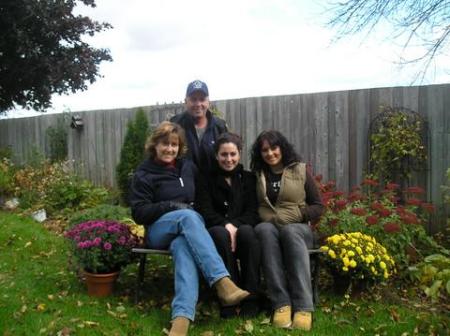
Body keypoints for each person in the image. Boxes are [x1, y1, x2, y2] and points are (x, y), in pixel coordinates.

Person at [129, 122, 249, 336]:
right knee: (188, 216)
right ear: (154, 145)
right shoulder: (144, 174)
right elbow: (139, 213)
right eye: (164, 144)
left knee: (184, 247)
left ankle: (181, 320)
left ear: (180, 147)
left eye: (174, 145)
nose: (169, 149)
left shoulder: (187, 167)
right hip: (159, 230)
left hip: (186, 233)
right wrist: (170, 206)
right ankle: (222, 281)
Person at [250, 130, 324, 331]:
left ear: (282, 148)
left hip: (299, 231)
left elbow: (318, 205)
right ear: (260, 153)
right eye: (265, 150)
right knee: (264, 230)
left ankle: (303, 306)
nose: (270, 153)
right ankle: (281, 302)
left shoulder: (299, 170)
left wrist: (299, 215)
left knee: (290, 232)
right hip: (271, 230)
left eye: (274, 148)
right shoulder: (258, 175)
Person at [195, 132, 261, 318]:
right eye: (224, 154)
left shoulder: (249, 178)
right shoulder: (205, 178)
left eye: (233, 154)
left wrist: (235, 225)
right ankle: (228, 298)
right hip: (218, 230)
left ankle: (251, 297)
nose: (228, 159)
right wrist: (226, 225)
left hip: (243, 229)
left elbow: (253, 212)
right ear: (216, 155)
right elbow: (205, 211)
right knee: (219, 234)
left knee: (248, 233)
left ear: (239, 154)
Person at [170, 80, 227, 173]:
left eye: (202, 99)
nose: (198, 104)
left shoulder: (220, 126)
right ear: (185, 102)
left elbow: (227, 158)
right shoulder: (175, 124)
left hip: (212, 185)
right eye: (193, 99)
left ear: (208, 102)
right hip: (184, 184)